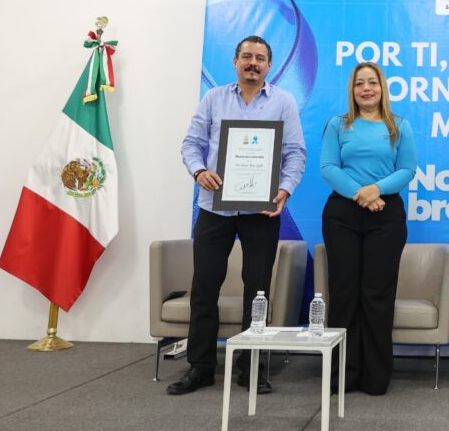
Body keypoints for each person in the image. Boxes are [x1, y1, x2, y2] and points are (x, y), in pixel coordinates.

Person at [168, 35, 307, 395]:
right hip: (214, 207)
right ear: (235, 61)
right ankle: (201, 367)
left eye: (260, 58)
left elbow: (295, 152)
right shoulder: (214, 98)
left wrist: (285, 189)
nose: (253, 63)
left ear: (269, 66)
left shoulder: (283, 102)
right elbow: (191, 144)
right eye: (247, 56)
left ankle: (251, 367)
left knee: (257, 291)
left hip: (261, 210)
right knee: (204, 286)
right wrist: (199, 171)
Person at [320, 62, 417, 395]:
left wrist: (377, 190)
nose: (366, 89)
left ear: (382, 88)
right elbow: (328, 167)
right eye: (359, 83)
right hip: (342, 215)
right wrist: (361, 195)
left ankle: (376, 376)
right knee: (344, 293)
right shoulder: (337, 124)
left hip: (385, 215)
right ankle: (343, 374)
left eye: (372, 83)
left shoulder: (399, 125)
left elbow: (407, 169)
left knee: (377, 294)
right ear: (352, 89)